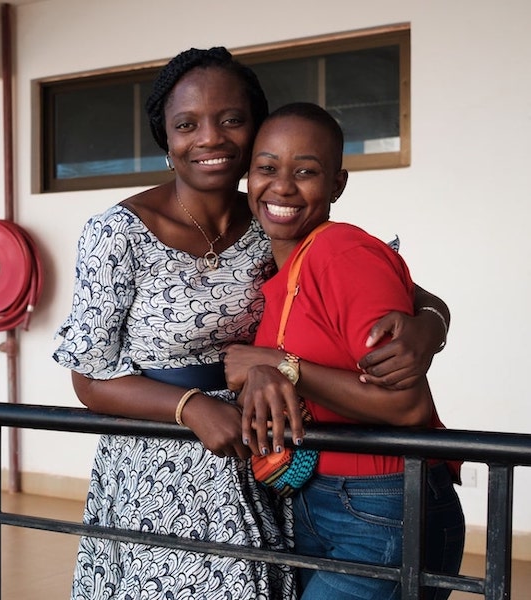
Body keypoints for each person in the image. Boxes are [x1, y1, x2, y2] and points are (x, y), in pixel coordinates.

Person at [53, 47, 448, 600]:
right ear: (166, 140)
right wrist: (191, 406)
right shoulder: (116, 234)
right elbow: (87, 378)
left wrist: (430, 326)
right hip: (161, 472)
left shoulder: (276, 214)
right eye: (187, 125)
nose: (210, 138)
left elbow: (397, 289)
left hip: (276, 468)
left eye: (231, 119)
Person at [224, 102, 465, 600]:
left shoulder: (341, 252)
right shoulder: (283, 265)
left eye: (305, 171)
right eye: (267, 168)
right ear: (248, 178)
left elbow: (407, 406)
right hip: (323, 498)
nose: (283, 186)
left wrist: (281, 366)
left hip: (382, 507)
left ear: (337, 184)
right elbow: (421, 298)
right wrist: (434, 318)